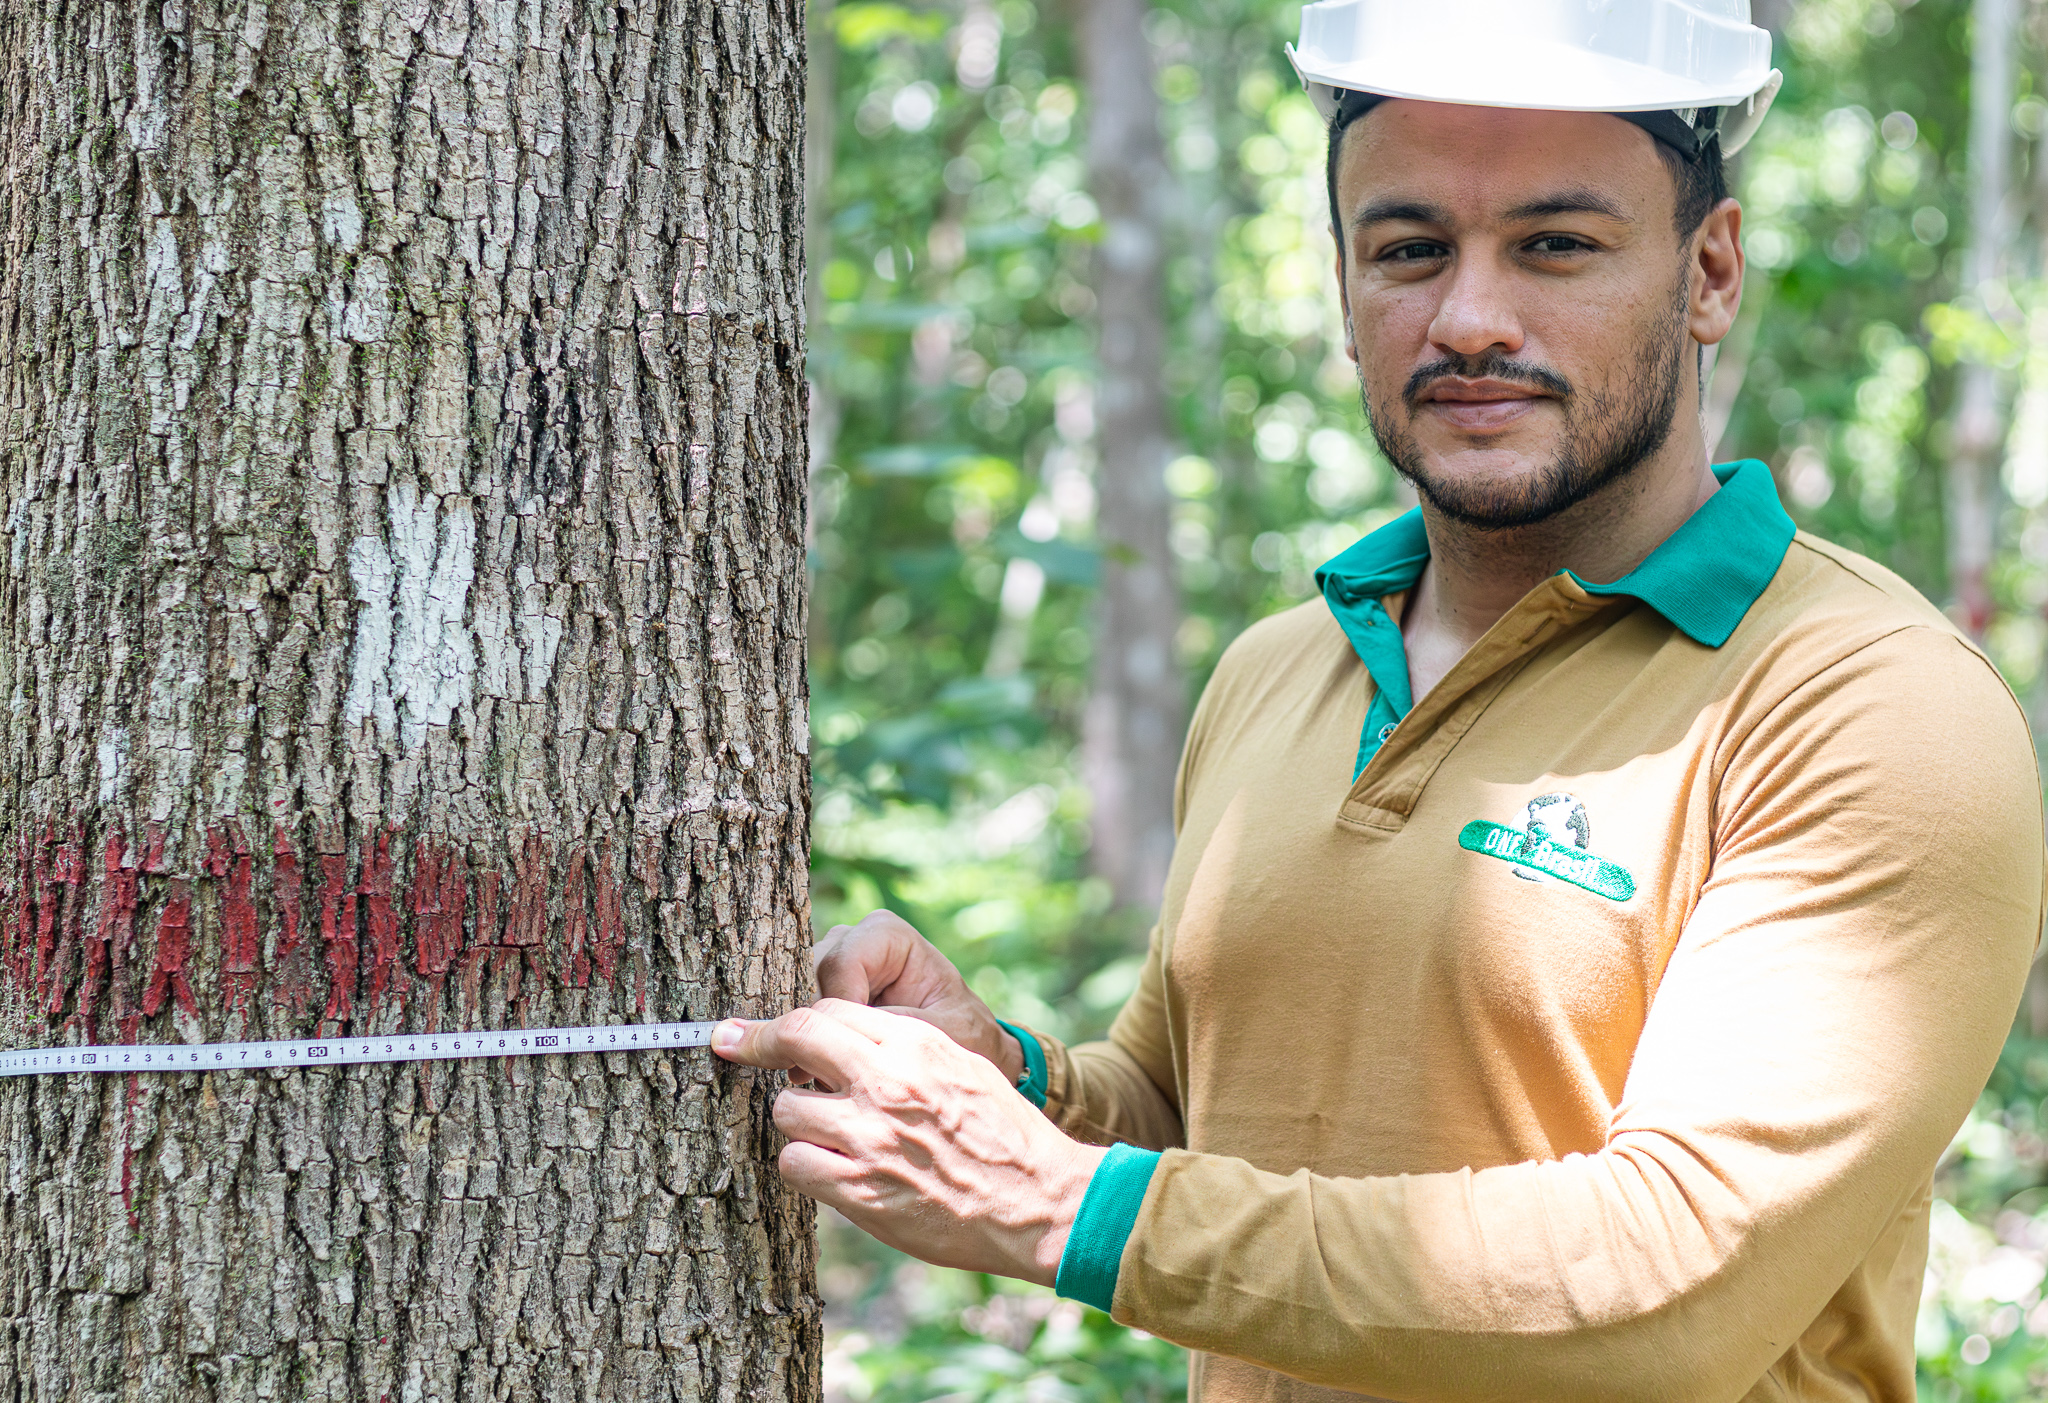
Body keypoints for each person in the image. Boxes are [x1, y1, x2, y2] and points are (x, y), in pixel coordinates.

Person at [715, 2, 2048, 1398]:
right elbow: (1188, 1116)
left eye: (1556, 244)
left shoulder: (1868, 705)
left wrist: (1057, 1206)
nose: (1469, 319)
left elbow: (1674, 1286)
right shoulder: (1277, 669)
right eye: (1409, 249)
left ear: (1708, 273)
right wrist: (1012, 1080)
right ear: (1345, 283)